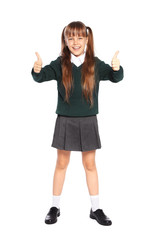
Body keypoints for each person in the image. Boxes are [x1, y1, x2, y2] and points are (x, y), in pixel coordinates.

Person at [31, 21, 124, 226]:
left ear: (87, 39)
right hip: (65, 120)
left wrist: (117, 68)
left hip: (89, 120)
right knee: (61, 163)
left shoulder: (95, 63)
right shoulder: (60, 63)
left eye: (80, 37)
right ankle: (54, 207)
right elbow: (41, 76)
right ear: (65, 40)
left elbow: (115, 77)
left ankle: (96, 208)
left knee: (90, 165)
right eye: (71, 37)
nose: (75, 42)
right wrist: (37, 70)